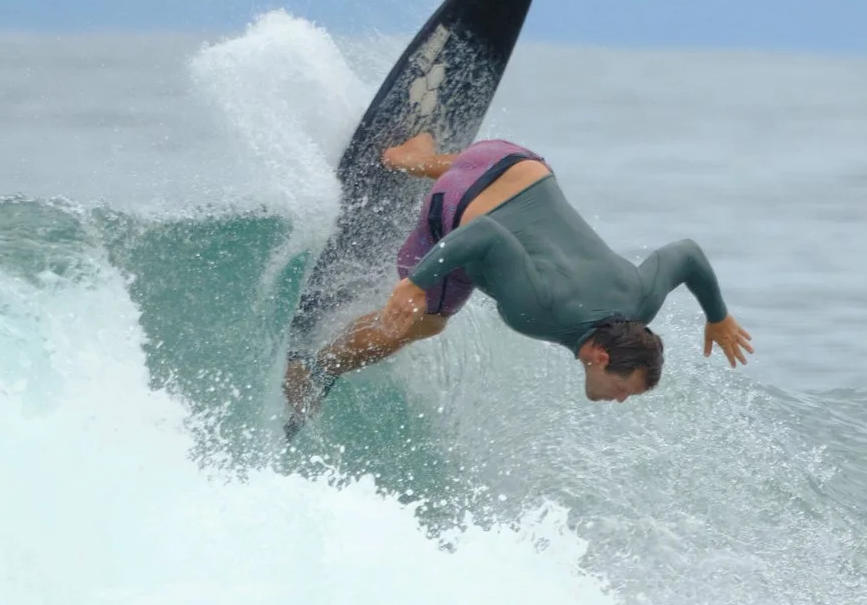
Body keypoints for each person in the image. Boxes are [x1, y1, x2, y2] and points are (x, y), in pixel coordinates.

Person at [286, 132, 752, 416]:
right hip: (458, 206)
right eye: (624, 390)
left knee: (509, 195)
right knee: (427, 321)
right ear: (602, 359)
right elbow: (486, 234)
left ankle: (413, 158)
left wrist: (718, 317)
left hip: (509, 158)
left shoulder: (641, 299)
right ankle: (314, 367)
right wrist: (416, 284)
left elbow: (687, 253)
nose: (621, 400)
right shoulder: (541, 310)